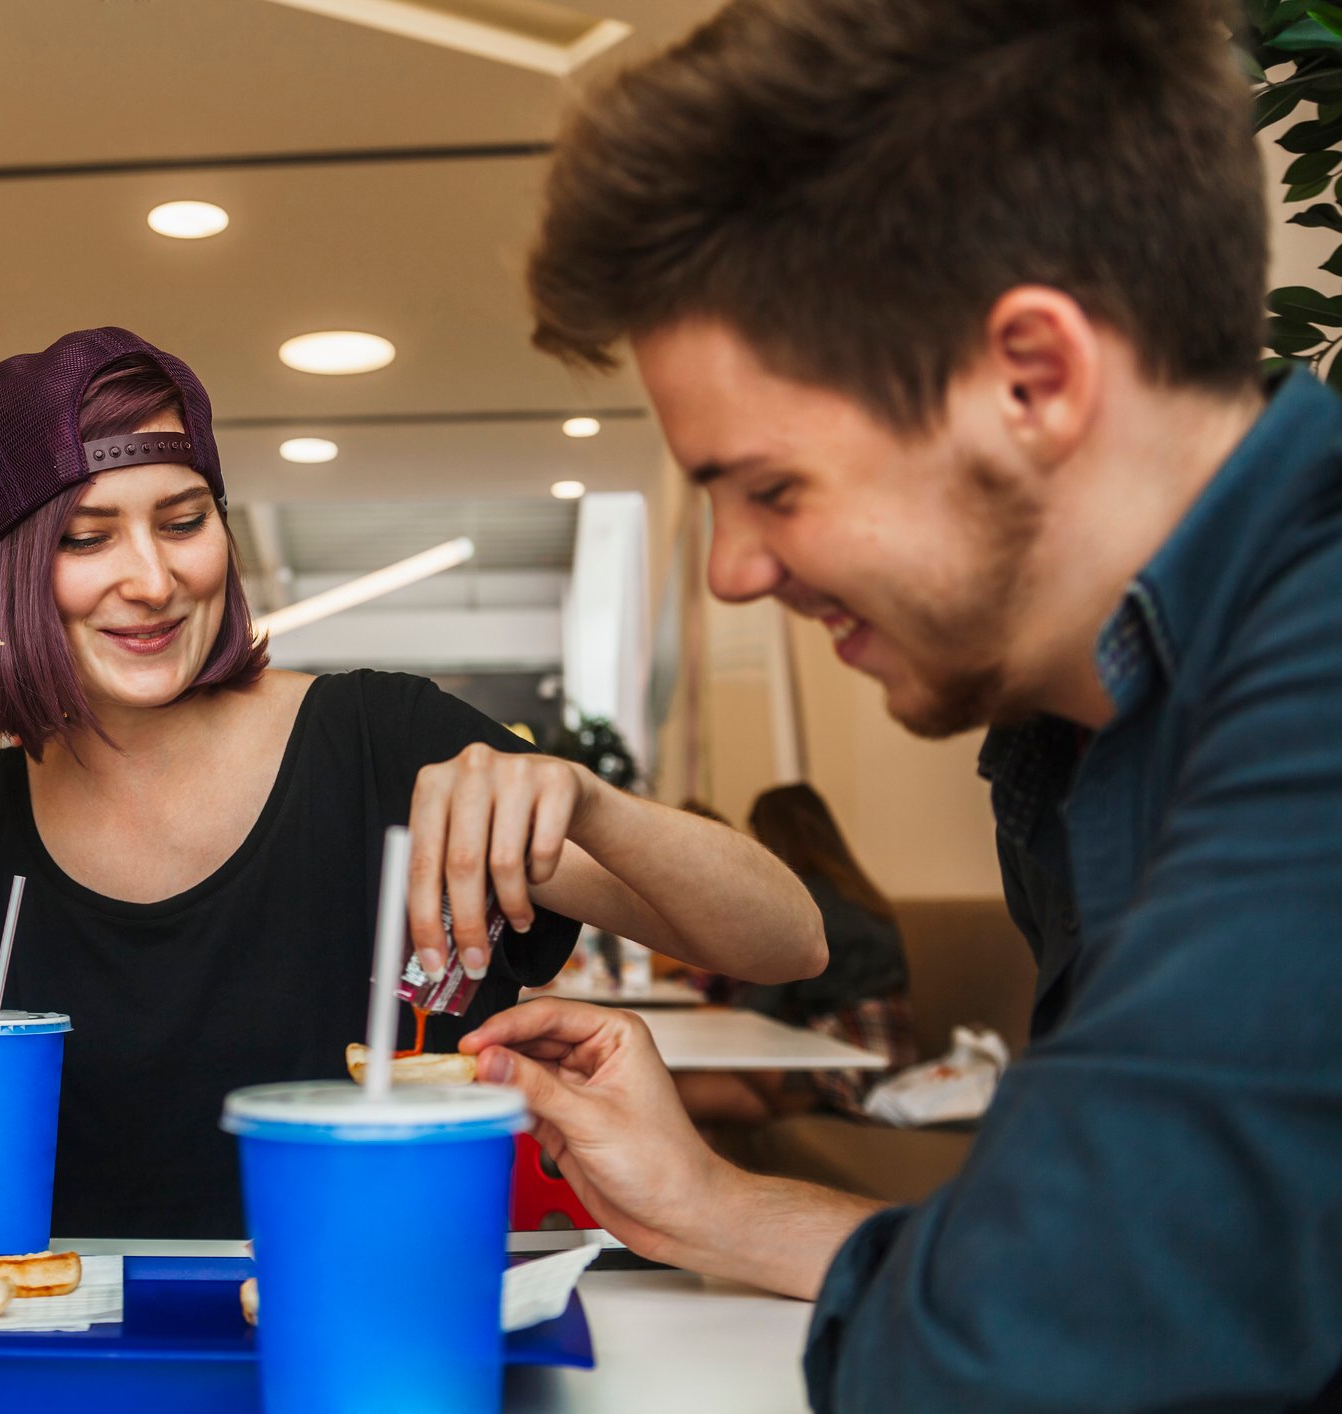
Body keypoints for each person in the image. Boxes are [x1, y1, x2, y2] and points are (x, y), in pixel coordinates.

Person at [469, 0, 1342, 1406]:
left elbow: (1004, 1363)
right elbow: (1085, 1286)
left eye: (770, 486)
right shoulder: (1074, 736)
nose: (738, 572)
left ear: (1034, 377)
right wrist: (715, 1204)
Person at [0, 326, 825, 1241]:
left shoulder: (385, 741)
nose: (154, 577)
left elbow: (785, 942)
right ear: (0, 586)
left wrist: (593, 804)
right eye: (88, 538)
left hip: (391, 1334)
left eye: (183, 520)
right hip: (90, 1358)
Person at [678, 783, 913, 1124]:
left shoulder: (806, 905)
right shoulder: (858, 893)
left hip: (845, 1064)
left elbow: (758, 1009)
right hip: (887, 1052)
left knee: (680, 1089)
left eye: (756, 838)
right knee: (695, 1093)